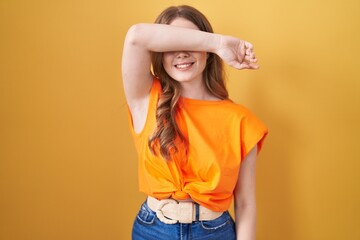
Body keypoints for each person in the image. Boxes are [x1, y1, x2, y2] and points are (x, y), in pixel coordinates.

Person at [122, 5, 268, 240]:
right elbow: (136, 37)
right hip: (153, 230)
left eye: (192, 44)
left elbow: (245, 204)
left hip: (215, 233)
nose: (181, 53)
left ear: (206, 53)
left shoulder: (241, 121)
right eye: (171, 45)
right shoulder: (145, 97)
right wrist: (218, 42)